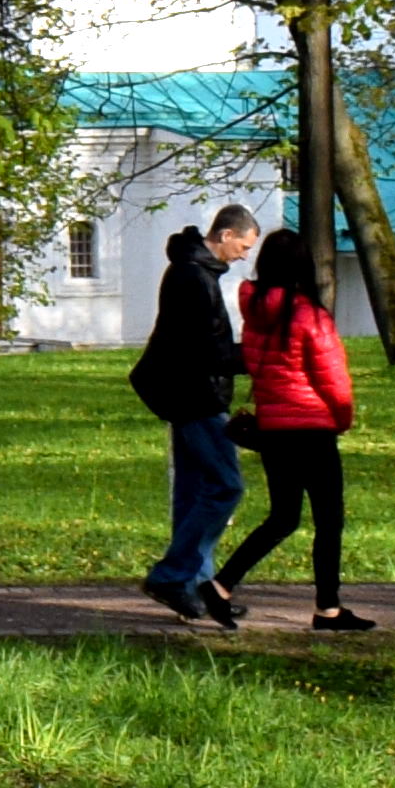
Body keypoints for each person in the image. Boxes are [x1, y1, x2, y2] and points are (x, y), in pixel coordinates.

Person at [208, 226, 368, 631]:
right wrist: (342, 418)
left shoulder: (255, 310)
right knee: (328, 521)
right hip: (313, 428)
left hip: (274, 428)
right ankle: (327, 609)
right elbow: (333, 378)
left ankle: (220, 586)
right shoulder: (310, 315)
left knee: (282, 518)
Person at [132, 204, 261, 618]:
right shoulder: (192, 276)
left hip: (188, 396)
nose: (244, 254)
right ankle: (173, 576)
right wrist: (257, 358)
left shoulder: (193, 270)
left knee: (194, 493)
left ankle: (197, 587)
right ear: (224, 235)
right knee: (226, 487)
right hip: (197, 399)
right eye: (243, 245)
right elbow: (205, 349)